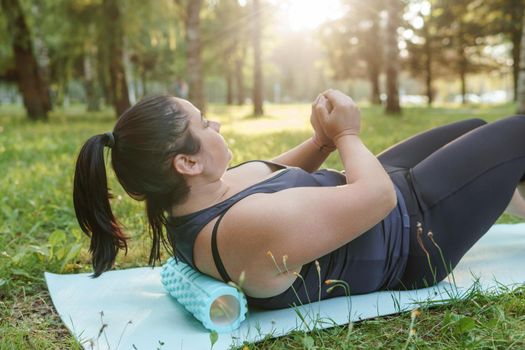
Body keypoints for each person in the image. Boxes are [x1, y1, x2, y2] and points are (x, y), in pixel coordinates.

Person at [73, 90, 525, 310]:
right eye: (204, 124)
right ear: (186, 163)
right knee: (517, 134)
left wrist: (322, 140)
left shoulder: (199, 195)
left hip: (386, 195)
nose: (216, 125)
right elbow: (378, 198)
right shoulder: (242, 230)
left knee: (474, 124)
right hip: (412, 235)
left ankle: (505, 190)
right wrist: (347, 132)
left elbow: (273, 172)